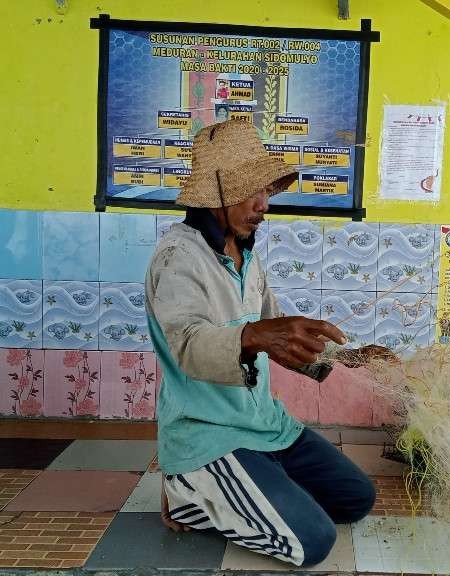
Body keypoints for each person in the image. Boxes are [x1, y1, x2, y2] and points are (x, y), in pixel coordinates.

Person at [145, 119, 389, 567]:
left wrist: (349, 357)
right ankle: (189, 489)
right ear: (213, 193)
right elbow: (188, 345)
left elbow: (277, 331)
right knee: (312, 542)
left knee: (356, 499)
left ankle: (249, 485)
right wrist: (254, 335)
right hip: (210, 432)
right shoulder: (178, 257)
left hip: (264, 426)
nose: (263, 205)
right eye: (250, 191)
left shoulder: (246, 254)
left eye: (267, 191)